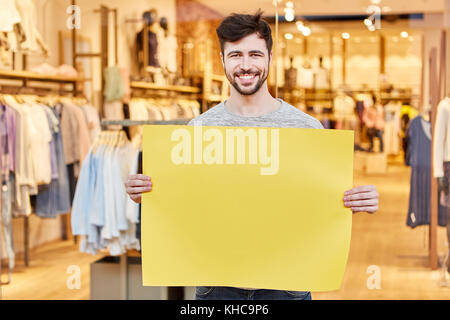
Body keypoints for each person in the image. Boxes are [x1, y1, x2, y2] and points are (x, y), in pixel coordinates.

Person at [125, 11, 379, 300]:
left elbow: (320, 202)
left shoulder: (307, 128)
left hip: (287, 284)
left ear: (270, 57)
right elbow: (188, 201)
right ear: (222, 61)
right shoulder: (199, 129)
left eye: (255, 54)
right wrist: (148, 192)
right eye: (235, 56)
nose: (246, 66)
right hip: (217, 285)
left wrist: (356, 200)